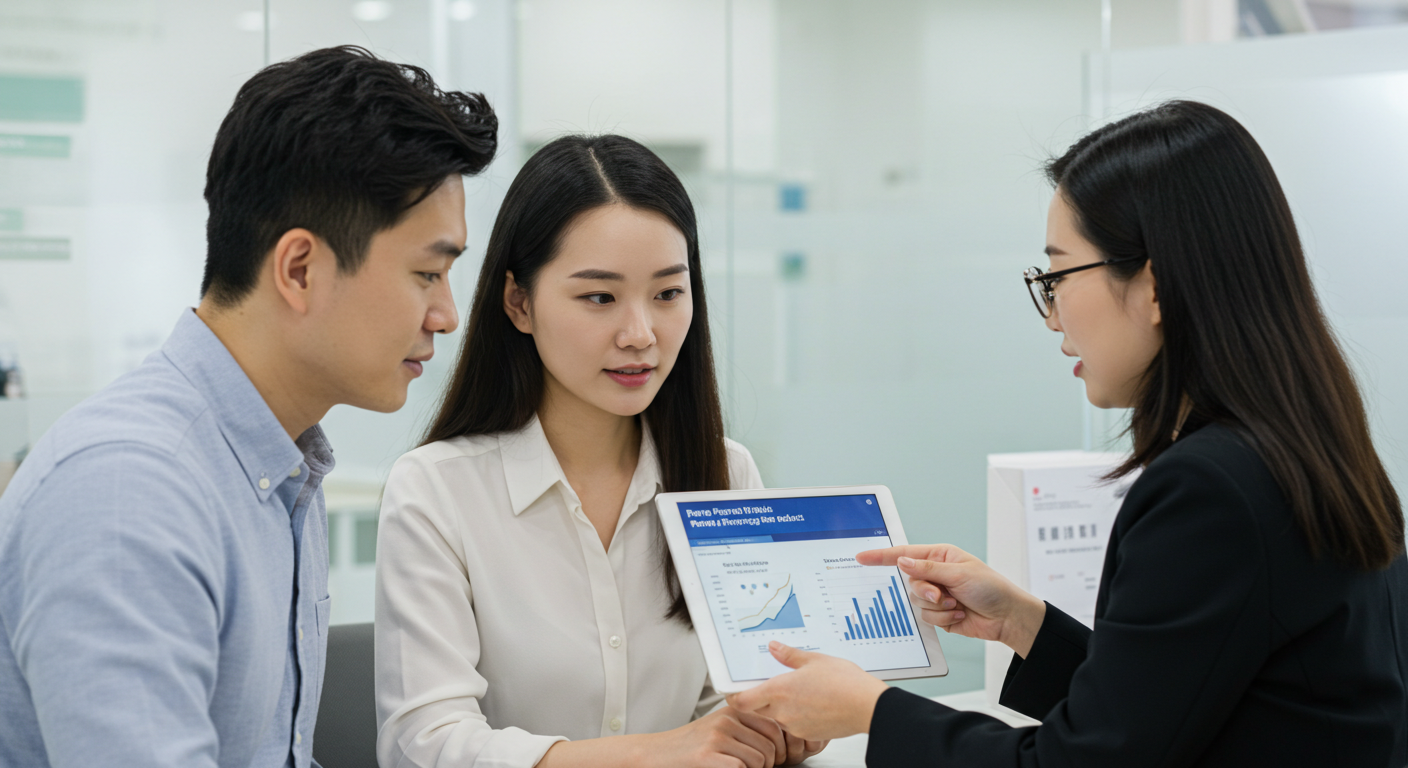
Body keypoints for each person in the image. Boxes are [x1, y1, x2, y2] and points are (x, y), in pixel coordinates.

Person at [726, 100, 1408, 766]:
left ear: (1156, 286)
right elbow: (1172, 708)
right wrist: (1023, 623)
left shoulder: (1210, 488)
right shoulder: (1306, 452)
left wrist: (870, 713)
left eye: (1057, 275)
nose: (1052, 318)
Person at [0, 46, 496, 768]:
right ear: (300, 269)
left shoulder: (278, 466)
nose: (446, 315)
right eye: (427, 273)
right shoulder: (128, 494)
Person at [373, 135, 826, 768]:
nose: (641, 334)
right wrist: (660, 753)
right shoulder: (438, 490)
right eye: (599, 297)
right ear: (519, 303)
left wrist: (773, 729)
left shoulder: (723, 473)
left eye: (668, 294)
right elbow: (427, 742)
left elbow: (716, 709)